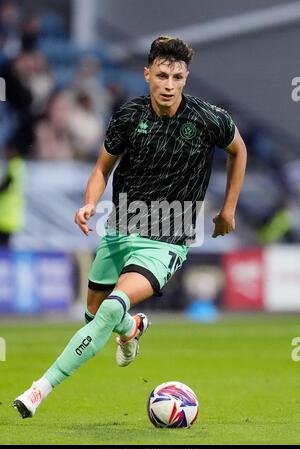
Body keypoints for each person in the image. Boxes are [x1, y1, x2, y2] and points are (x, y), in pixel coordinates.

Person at [13, 36, 247, 418]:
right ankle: (131, 328)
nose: (169, 85)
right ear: (147, 74)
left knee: (110, 308)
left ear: (186, 78)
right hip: (121, 230)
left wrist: (229, 209)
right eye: (161, 75)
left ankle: (39, 389)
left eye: (177, 76)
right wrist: (89, 202)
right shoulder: (128, 115)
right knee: (95, 314)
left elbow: (239, 150)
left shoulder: (209, 118)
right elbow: (102, 169)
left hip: (167, 240)